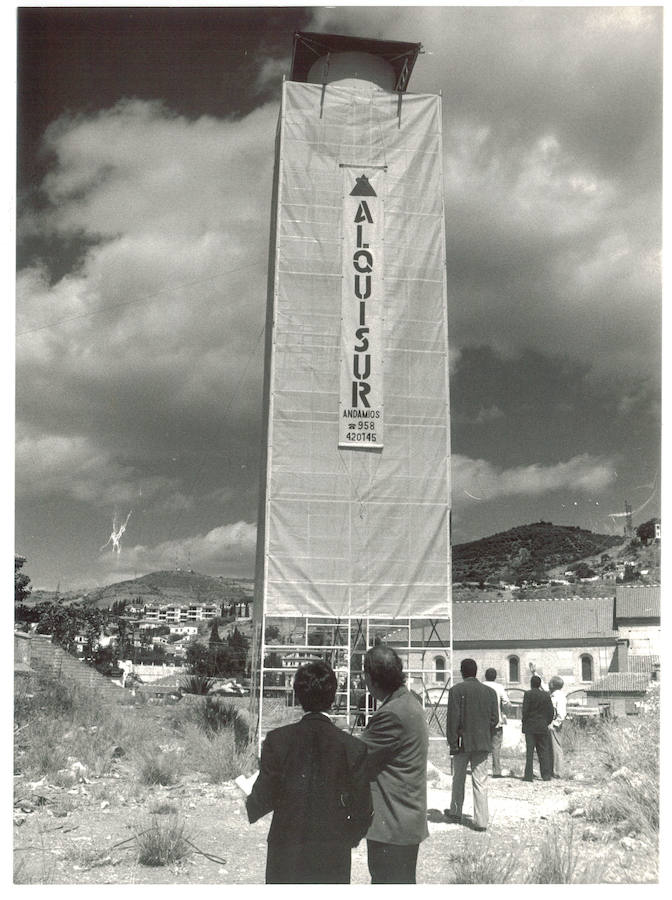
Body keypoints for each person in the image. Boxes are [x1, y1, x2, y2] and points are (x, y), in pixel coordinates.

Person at [245, 660, 373, 883]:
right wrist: (347, 837)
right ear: (333, 697)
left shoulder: (277, 740)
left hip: (286, 849)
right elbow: (364, 810)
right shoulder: (353, 747)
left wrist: (249, 802)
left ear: (298, 696)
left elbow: (262, 798)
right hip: (332, 851)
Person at [359, 644, 429, 884]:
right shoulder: (408, 703)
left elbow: (358, 756)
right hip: (404, 820)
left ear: (370, 678)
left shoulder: (392, 713)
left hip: (392, 824)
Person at [445, 658, 499, 831]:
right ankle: (482, 821)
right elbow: (495, 719)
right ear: (476, 672)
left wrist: (452, 743)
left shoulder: (455, 690)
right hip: (483, 742)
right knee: (480, 781)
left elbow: (452, 720)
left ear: (462, 672)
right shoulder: (490, 692)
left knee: (458, 778)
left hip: (462, 743)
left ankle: (455, 811)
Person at [521, 674, 554, 781]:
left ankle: (528, 776)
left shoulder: (528, 694)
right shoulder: (546, 695)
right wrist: (546, 722)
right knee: (543, 751)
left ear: (531, 684)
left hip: (530, 726)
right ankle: (546, 775)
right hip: (542, 726)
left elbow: (525, 711)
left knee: (529, 752)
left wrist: (524, 722)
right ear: (540, 684)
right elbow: (551, 712)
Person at [483, 667, 512, 778]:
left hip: (483, 722)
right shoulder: (499, 687)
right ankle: (496, 771)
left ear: (485, 676)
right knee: (496, 746)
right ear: (495, 677)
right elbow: (506, 703)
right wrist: (505, 713)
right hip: (497, 721)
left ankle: (482, 769)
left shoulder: (481, 686)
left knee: (483, 746)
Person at [548, 675, 567, 778]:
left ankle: (558, 772)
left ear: (552, 684)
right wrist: (535, 673)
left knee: (556, 748)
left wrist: (554, 724)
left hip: (554, 725)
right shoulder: (555, 694)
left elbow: (561, 714)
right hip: (553, 725)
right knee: (553, 748)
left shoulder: (558, 696)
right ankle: (554, 771)